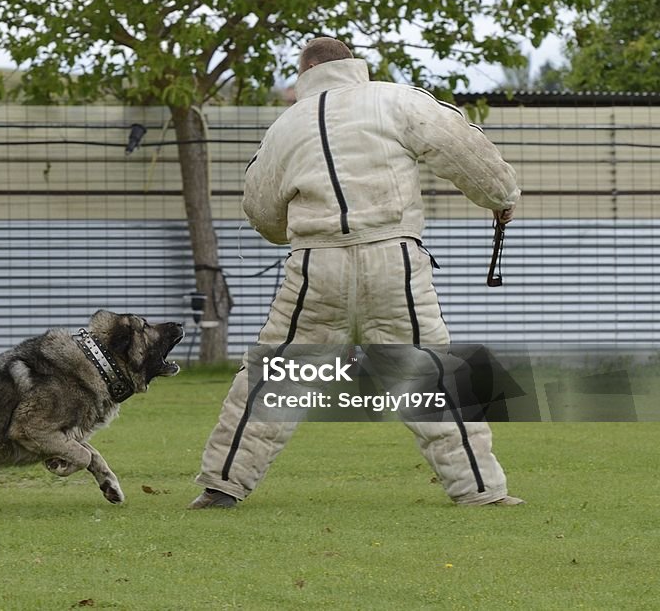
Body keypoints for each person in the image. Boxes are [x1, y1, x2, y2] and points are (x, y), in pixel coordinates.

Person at [189, 37, 523, 509]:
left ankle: (223, 485)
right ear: (353, 65)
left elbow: (261, 211)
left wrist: (294, 232)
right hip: (395, 261)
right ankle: (482, 491)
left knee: (275, 375)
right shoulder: (397, 99)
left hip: (315, 265)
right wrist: (501, 195)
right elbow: (464, 147)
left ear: (305, 72)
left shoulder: (283, 129)